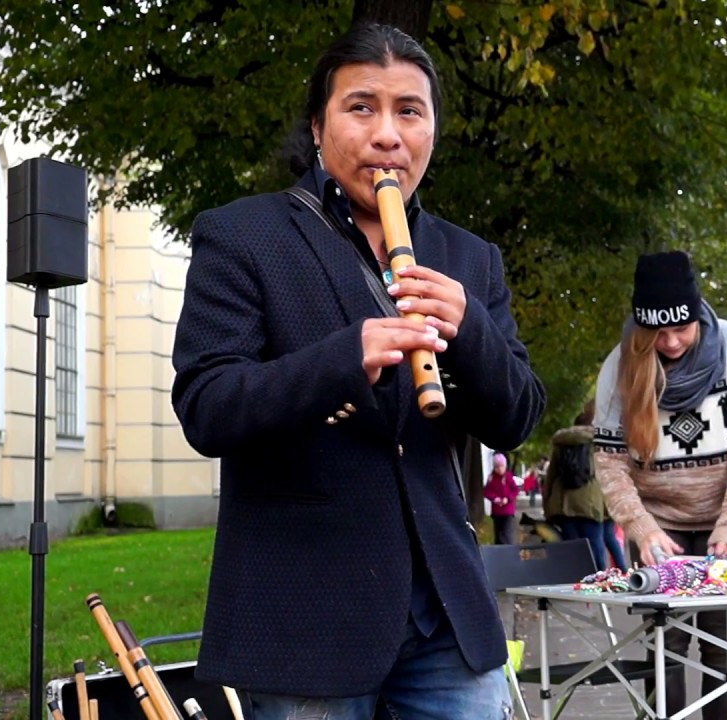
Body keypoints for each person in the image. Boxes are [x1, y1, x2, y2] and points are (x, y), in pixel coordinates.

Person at [170, 21, 546, 720]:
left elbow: (518, 416)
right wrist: (344, 359)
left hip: (446, 618)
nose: (388, 135)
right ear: (318, 127)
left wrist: (470, 331)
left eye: (410, 111)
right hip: (307, 620)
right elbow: (207, 404)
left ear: (432, 130)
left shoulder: (469, 258)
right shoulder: (243, 235)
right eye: (362, 107)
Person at [593, 250, 727, 719]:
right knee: (664, 646)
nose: (671, 342)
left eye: (682, 329)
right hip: (658, 525)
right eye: (658, 333)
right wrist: (641, 528)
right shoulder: (619, 365)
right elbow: (609, 461)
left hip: (724, 521)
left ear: (697, 313)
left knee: (720, 646)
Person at [542, 399, 614, 572]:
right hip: (591, 503)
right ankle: (600, 579)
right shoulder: (598, 442)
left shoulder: (561, 443)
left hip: (564, 504)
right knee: (596, 548)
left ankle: (576, 580)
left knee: (572, 549)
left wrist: (547, 505)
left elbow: (551, 476)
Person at [484, 453, 520, 545]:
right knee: (498, 533)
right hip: (497, 511)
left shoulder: (508, 476)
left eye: (502, 466)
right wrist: (495, 498)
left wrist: (508, 499)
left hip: (508, 511)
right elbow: (487, 491)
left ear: (505, 466)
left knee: (507, 533)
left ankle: (508, 549)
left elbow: (515, 490)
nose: (500, 469)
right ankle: (499, 549)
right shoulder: (491, 478)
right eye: (497, 467)